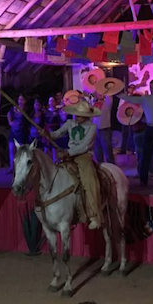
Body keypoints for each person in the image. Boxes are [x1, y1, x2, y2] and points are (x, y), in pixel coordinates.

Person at [46, 100, 102, 230]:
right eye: (77, 114)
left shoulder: (92, 128)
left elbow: (84, 146)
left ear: (87, 116)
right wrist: (48, 134)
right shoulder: (70, 123)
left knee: (89, 181)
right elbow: (58, 133)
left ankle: (94, 215)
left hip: (83, 156)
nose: (78, 117)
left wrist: (67, 152)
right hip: (68, 155)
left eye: (81, 115)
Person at [118, 79, 153, 187]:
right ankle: (143, 179)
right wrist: (118, 93)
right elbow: (129, 99)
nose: (152, 89)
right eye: (151, 87)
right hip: (150, 128)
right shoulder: (146, 99)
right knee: (146, 154)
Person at [7, 95, 29, 170]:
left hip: (22, 132)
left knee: (21, 151)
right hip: (13, 131)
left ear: (25, 101)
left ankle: (21, 167)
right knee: (11, 149)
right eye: (19, 99)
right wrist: (10, 122)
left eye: (22, 99)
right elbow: (9, 114)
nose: (20, 101)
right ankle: (11, 167)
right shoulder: (14, 108)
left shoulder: (26, 110)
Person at [92, 93, 114, 164]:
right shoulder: (93, 103)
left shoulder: (107, 103)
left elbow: (110, 95)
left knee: (108, 151)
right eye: (98, 92)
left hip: (105, 129)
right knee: (97, 152)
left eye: (102, 92)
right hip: (95, 130)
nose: (100, 94)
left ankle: (112, 169)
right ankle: (100, 168)